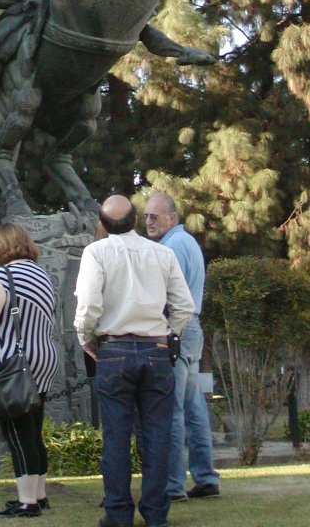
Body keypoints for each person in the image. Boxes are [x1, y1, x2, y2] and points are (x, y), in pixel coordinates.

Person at [74, 195, 194, 527]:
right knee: (157, 436)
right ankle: (156, 514)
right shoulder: (163, 253)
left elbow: (88, 305)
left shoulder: (96, 252)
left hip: (113, 349)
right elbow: (184, 306)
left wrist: (86, 337)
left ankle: (118, 514)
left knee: (116, 437)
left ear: (102, 224)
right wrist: (170, 335)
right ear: (136, 220)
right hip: (155, 349)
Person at [0, 222, 58, 518]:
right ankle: (39, 495)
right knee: (34, 430)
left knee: (18, 434)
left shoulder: (3, 275)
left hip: (13, 362)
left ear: (0, 247)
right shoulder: (41, 275)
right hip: (42, 358)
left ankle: (27, 502)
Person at [144, 193, 220, 501]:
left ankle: (173, 485)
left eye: (155, 216)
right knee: (194, 406)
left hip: (176, 328)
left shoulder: (170, 247)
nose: (148, 221)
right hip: (192, 327)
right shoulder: (187, 242)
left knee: (171, 409)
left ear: (172, 218)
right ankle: (206, 478)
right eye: (146, 216)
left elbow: (163, 296)